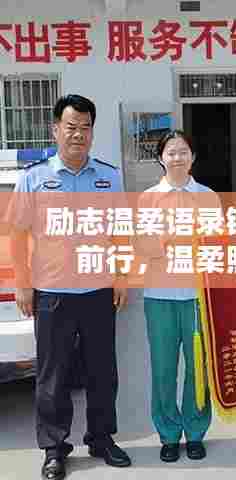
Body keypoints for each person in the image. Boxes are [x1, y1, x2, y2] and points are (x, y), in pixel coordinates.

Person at [10, 94, 131, 480]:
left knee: (102, 372)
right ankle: (54, 448)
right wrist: (23, 283)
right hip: (52, 293)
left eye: (85, 127)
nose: (78, 134)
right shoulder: (34, 178)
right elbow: (17, 235)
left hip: (98, 290)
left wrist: (122, 276)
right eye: (71, 127)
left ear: (93, 132)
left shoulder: (109, 177)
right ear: (55, 130)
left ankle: (101, 438)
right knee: (53, 376)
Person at [138, 130, 219, 463]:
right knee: (163, 368)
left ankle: (196, 431)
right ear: (161, 158)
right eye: (171, 152)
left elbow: (215, 243)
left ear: (192, 157)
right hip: (159, 295)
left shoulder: (207, 196)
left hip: (198, 295)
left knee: (199, 366)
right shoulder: (148, 198)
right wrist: (173, 237)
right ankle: (169, 433)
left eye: (183, 151)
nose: (177, 158)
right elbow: (143, 245)